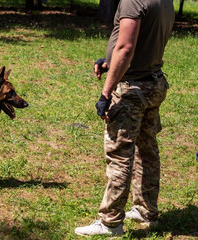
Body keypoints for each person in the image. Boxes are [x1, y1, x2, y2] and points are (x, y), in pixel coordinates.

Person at [74, 0, 175, 236]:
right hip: (153, 82)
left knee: (120, 154)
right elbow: (146, 42)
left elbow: (126, 48)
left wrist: (106, 93)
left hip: (132, 91)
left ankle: (110, 222)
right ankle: (145, 210)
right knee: (147, 149)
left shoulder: (133, 1)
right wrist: (112, 63)